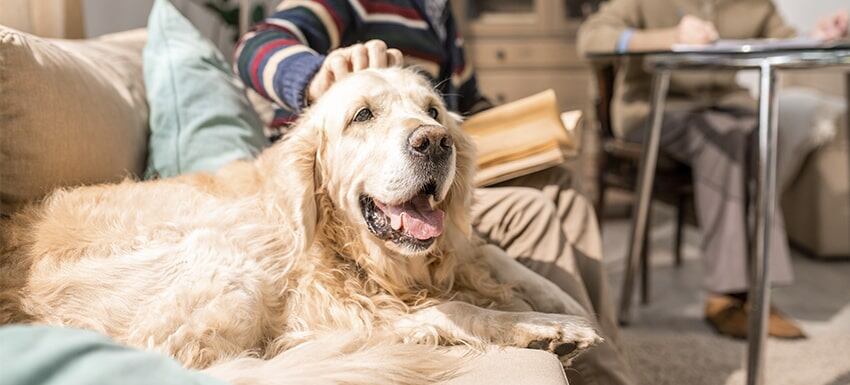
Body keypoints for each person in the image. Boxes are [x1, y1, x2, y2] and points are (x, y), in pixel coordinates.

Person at [233, 1, 634, 384]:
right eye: (365, 112)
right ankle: (600, 374)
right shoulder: (352, 2)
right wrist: (315, 74)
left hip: (441, 170)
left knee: (565, 188)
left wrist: (522, 126)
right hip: (364, 177)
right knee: (532, 209)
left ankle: (607, 357)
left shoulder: (439, 15)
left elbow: (467, 100)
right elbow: (256, 46)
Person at [577, 0, 848, 339]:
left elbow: (785, 39)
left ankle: (757, 291)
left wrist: (820, 35)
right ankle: (729, 296)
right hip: (654, 111)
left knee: (764, 132)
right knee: (723, 140)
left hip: (726, 108)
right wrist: (670, 36)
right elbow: (590, 38)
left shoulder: (756, 4)